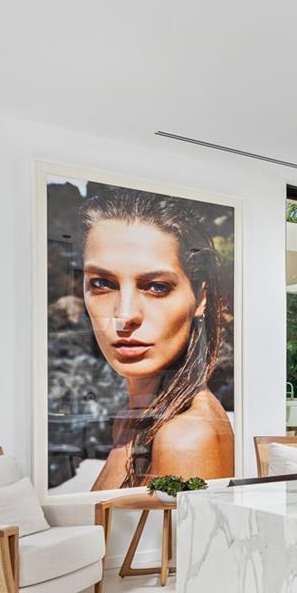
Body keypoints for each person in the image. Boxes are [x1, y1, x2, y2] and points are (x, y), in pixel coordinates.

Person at [78, 187, 233, 488]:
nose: (125, 315)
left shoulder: (186, 437)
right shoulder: (132, 420)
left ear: (200, 298)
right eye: (102, 284)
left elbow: (184, 537)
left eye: (156, 287)